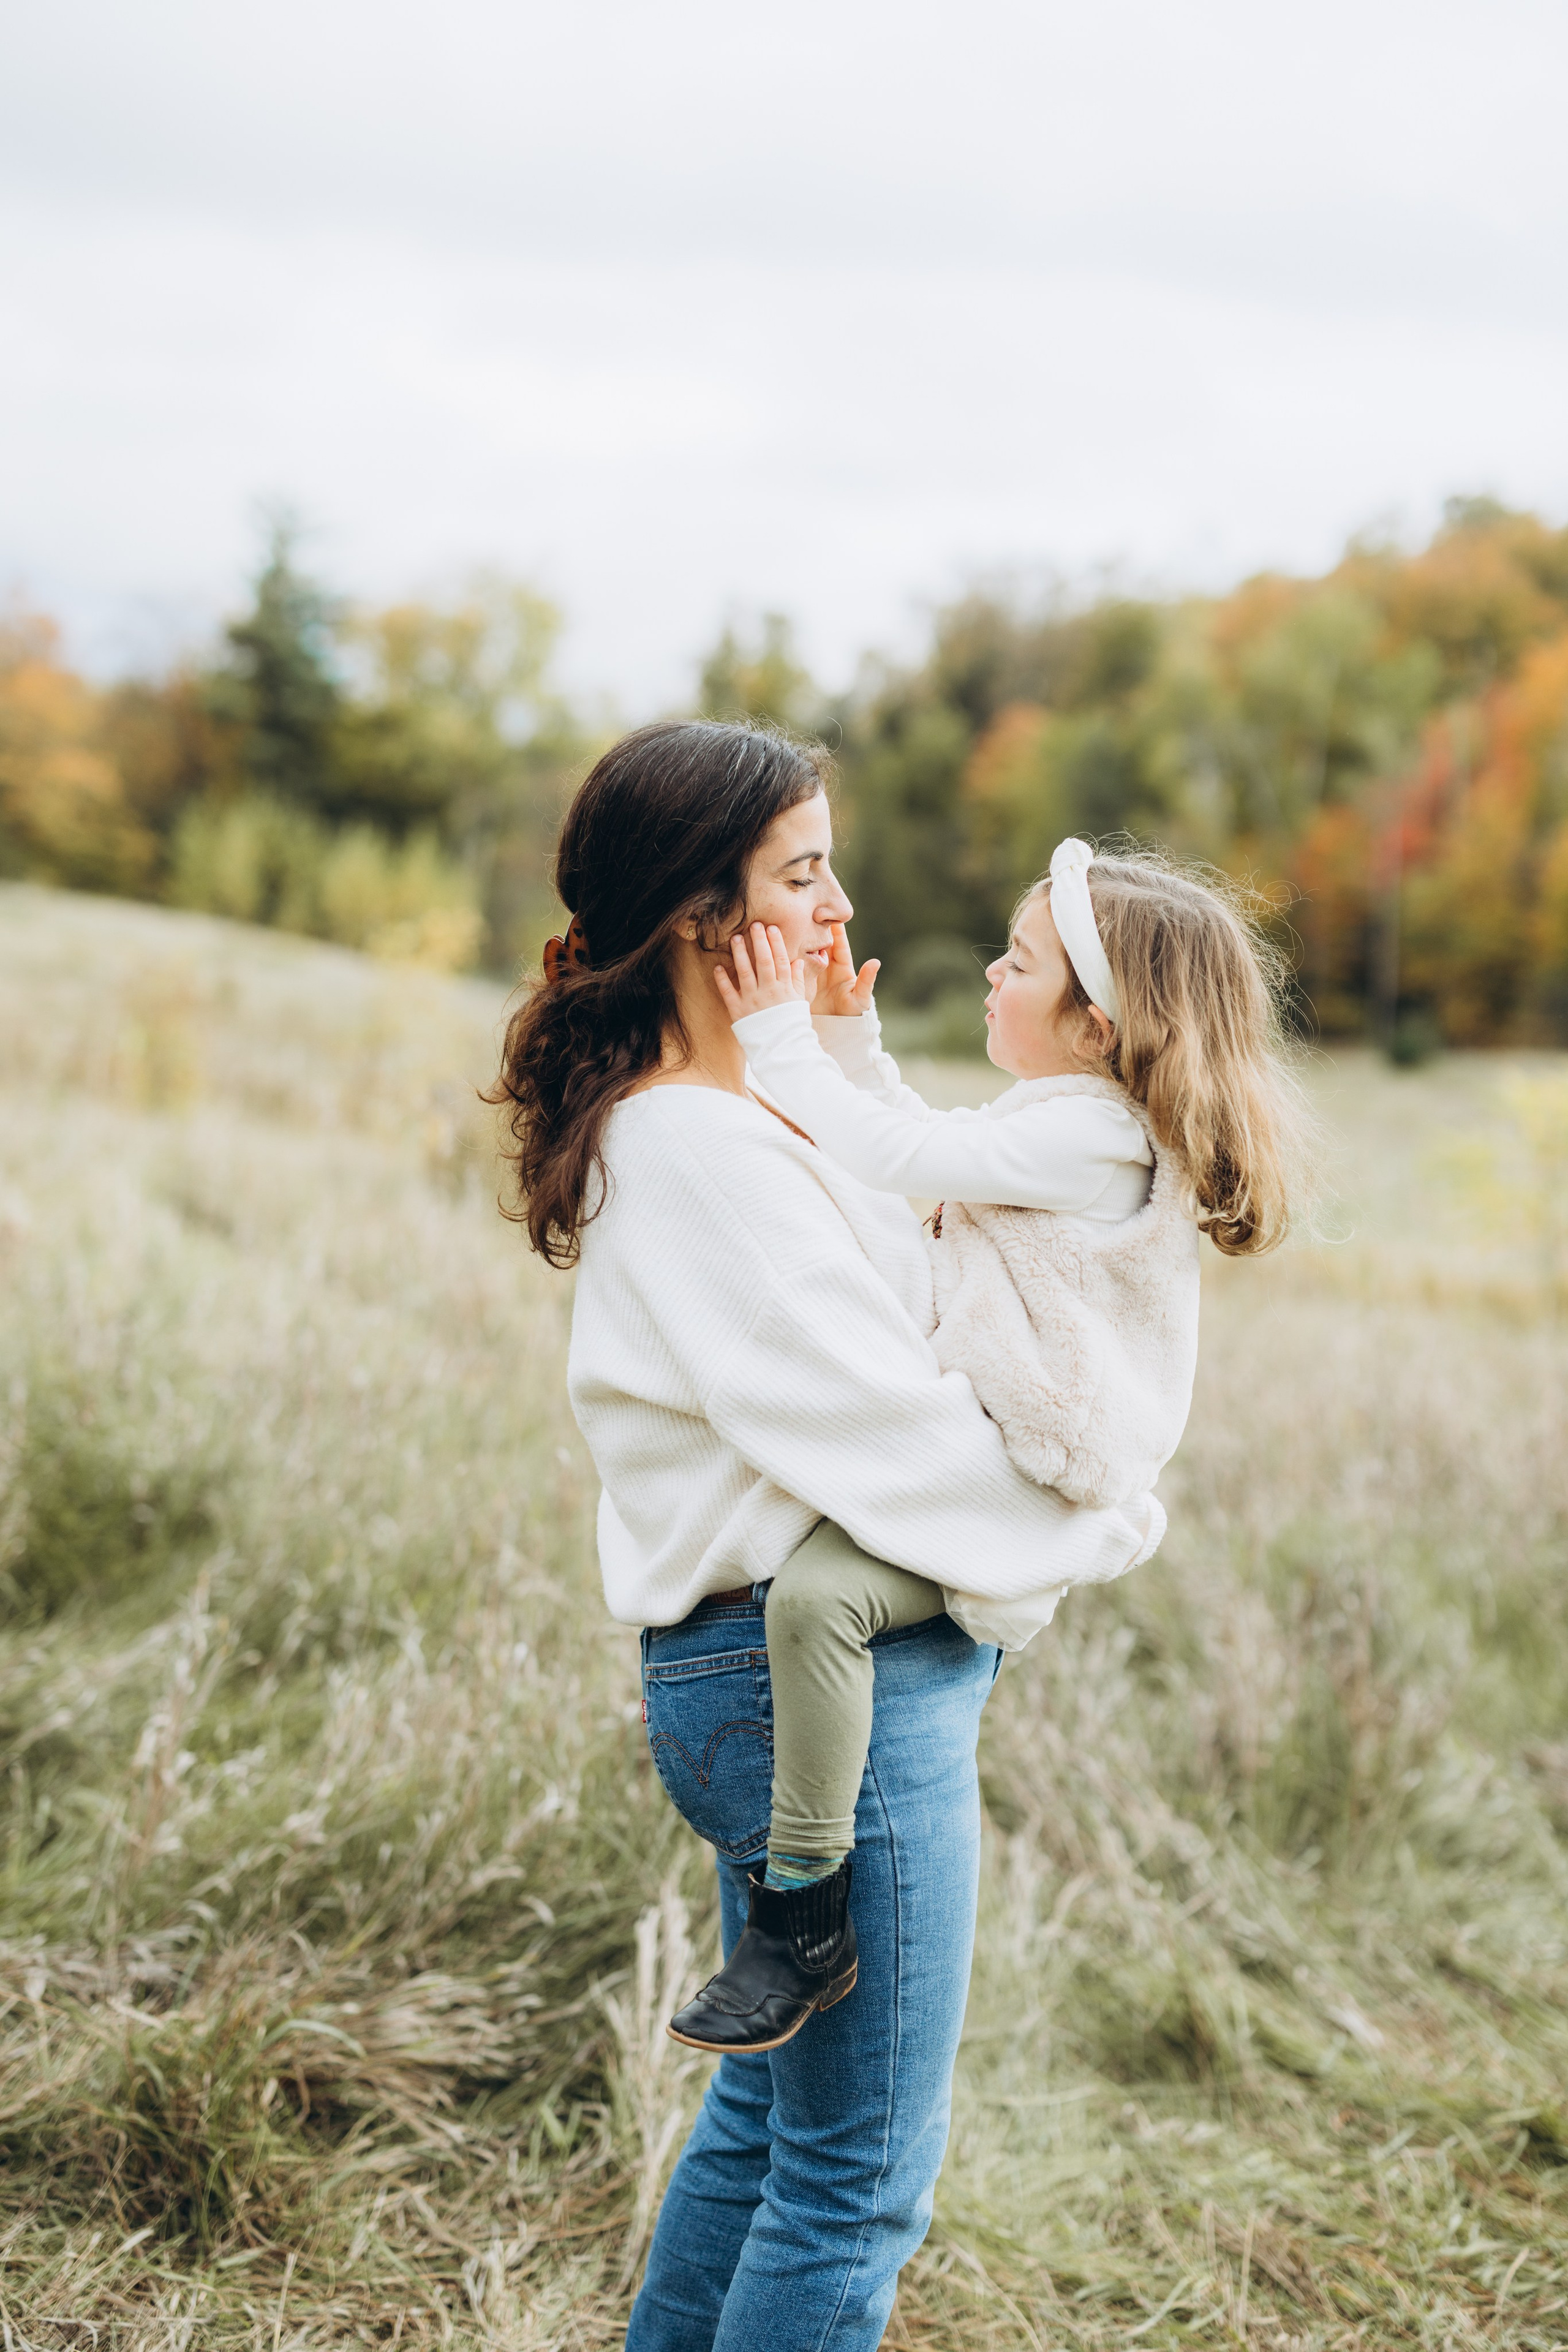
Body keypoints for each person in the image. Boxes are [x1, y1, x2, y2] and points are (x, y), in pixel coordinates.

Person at [489, 719, 1159, 2352]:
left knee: (777, 2129)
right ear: (706, 920)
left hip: (799, 1668)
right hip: (816, 1678)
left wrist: (839, 1055)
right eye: (804, 869)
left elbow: (925, 1299)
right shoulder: (696, 1146)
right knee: (859, 2182)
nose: (841, 897)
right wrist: (1106, 1518)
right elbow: (906, 1443)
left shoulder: (745, 1109)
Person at [673, 838, 1307, 2054]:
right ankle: (801, 1896)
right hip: (1006, 1457)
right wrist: (852, 1047)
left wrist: (782, 1039)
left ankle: (801, 1911)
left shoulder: (1091, 1138)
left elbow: (908, 1161)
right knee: (811, 1584)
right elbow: (931, 1147)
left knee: (815, 1604)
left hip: (1027, 1481)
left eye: (1017, 963)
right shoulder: (1067, 1122)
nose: (989, 974)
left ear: (1092, 1027)